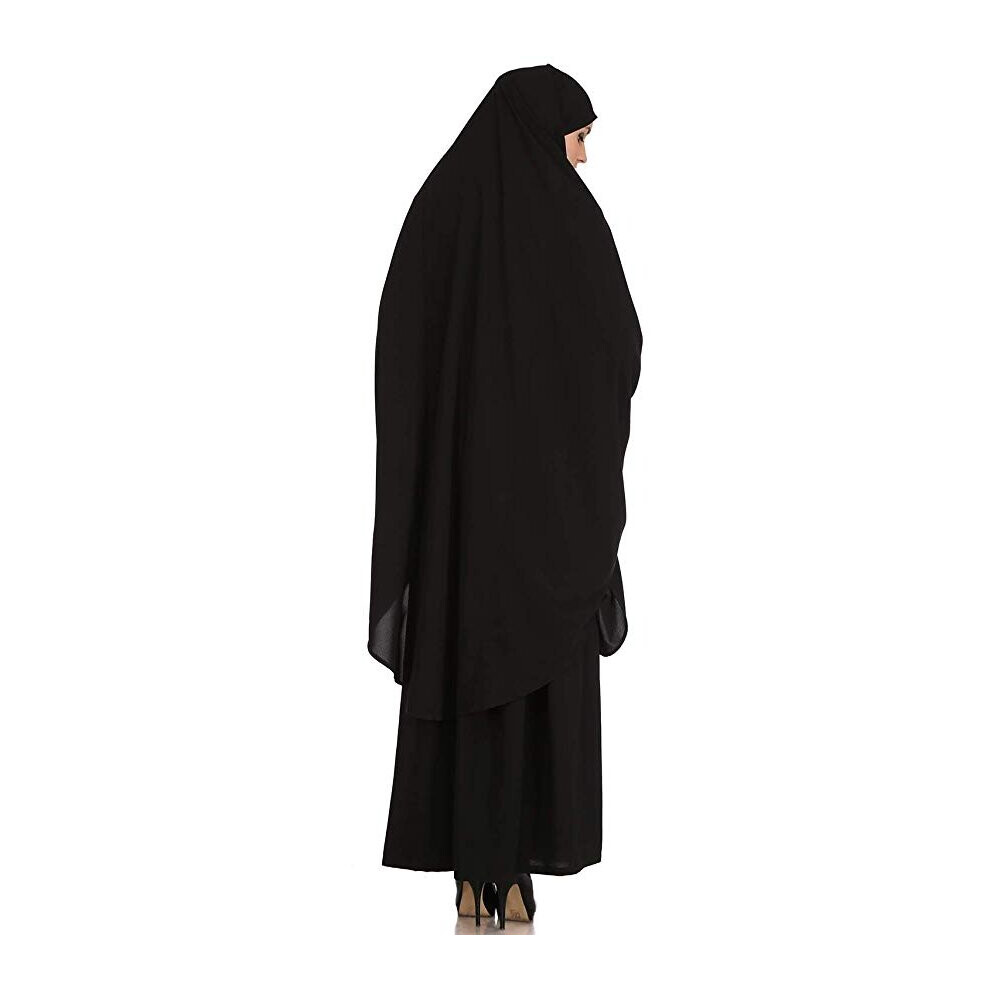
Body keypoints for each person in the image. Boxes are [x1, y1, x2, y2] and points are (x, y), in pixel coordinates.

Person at [367, 64, 642, 929]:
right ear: (541, 130)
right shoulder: (572, 224)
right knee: (537, 675)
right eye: (578, 136)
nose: (582, 157)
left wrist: (442, 450)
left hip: (461, 518)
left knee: (469, 664)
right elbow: (619, 346)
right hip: (551, 511)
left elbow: (399, 347)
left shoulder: (440, 209)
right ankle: (516, 873)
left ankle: (470, 875)